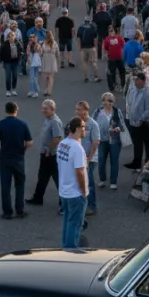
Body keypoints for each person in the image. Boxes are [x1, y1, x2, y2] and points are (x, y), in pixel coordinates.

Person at [0, 101, 33, 219]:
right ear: (16, 110)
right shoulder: (22, 124)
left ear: (5, 111)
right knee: (20, 184)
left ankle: (7, 212)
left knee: (5, 185)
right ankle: (20, 210)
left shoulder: (0, 124)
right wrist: (23, 149)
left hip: (5, 158)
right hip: (18, 158)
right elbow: (30, 142)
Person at [57, 116, 89, 250]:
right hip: (75, 193)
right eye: (83, 127)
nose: (84, 130)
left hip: (64, 190)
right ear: (76, 129)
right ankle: (71, 250)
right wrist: (83, 190)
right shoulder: (77, 149)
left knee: (67, 222)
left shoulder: (63, 144)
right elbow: (80, 171)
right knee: (75, 224)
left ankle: (65, 246)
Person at [25, 100, 63, 207]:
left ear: (53, 109)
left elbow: (57, 138)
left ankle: (63, 201)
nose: (43, 111)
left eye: (46, 109)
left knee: (57, 177)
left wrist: (48, 149)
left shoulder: (55, 121)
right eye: (43, 108)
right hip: (46, 154)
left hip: (51, 155)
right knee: (42, 176)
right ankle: (38, 197)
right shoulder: (48, 119)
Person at [93, 93, 126, 190]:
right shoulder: (98, 111)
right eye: (107, 100)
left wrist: (118, 128)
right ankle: (102, 179)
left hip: (114, 140)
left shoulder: (117, 111)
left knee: (114, 161)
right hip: (102, 139)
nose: (109, 103)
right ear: (103, 101)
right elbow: (92, 123)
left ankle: (113, 182)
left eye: (111, 101)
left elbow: (122, 125)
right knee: (101, 160)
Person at [125, 73, 149, 170]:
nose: (135, 81)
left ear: (143, 81)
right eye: (135, 79)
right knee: (137, 143)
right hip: (133, 122)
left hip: (143, 123)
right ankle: (137, 163)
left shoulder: (147, 93)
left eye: (137, 80)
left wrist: (141, 119)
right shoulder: (134, 89)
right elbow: (129, 101)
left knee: (146, 142)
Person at [75, 101, 100, 216]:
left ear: (86, 110)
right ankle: (82, 204)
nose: (78, 112)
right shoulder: (76, 122)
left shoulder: (93, 124)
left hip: (89, 158)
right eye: (77, 109)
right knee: (80, 182)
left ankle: (92, 206)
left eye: (80, 109)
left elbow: (95, 143)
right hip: (79, 157)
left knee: (88, 183)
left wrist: (89, 158)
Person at [0, 29, 23, 97]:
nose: (12, 37)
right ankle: (8, 90)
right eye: (10, 36)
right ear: (8, 37)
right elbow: (1, 52)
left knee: (15, 76)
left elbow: (21, 51)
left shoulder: (17, 43)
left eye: (13, 35)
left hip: (15, 62)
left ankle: (14, 89)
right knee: (8, 76)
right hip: (7, 62)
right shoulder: (5, 44)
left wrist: (20, 59)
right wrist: (1, 60)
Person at [76, 17, 100, 83]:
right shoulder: (93, 28)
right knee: (93, 62)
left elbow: (78, 38)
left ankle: (86, 77)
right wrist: (96, 47)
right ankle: (96, 77)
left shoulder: (81, 28)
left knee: (84, 62)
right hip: (91, 47)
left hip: (83, 48)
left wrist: (79, 47)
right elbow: (95, 39)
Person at [103, 27, 126, 93]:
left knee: (122, 71)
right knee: (112, 73)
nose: (111, 32)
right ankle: (113, 85)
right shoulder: (107, 39)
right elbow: (105, 48)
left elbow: (123, 46)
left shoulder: (119, 38)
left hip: (120, 58)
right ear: (108, 32)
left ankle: (123, 84)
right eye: (110, 31)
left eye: (112, 31)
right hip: (111, 59)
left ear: (115, 31)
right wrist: (106, 56)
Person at [25, 31, 42, 98]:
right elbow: (28, 53)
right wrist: (29, 45)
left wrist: (35, 44)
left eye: (33, 37)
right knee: (31, 77)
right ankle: (32, 90)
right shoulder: (28, 45)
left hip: (36, 62)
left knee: (35, 77)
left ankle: (36, 91)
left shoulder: (37, 45)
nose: (31, 38)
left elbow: (40, 52)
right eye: (30, 37)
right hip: (31, 62)